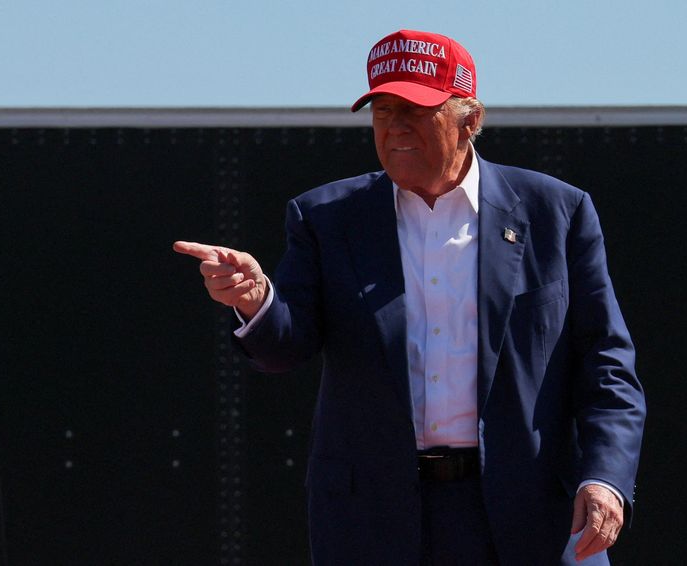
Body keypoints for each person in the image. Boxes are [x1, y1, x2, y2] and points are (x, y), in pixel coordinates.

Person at [174, 29, 645, 566]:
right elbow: (286, 345)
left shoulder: (555, 213)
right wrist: (257, 300)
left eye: (415, 110)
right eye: (381, 110)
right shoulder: (326, 218)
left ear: (471, 119)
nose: (394, 126)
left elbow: (607, 364)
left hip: (534, 516)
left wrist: (606, 478)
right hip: (374, 521)